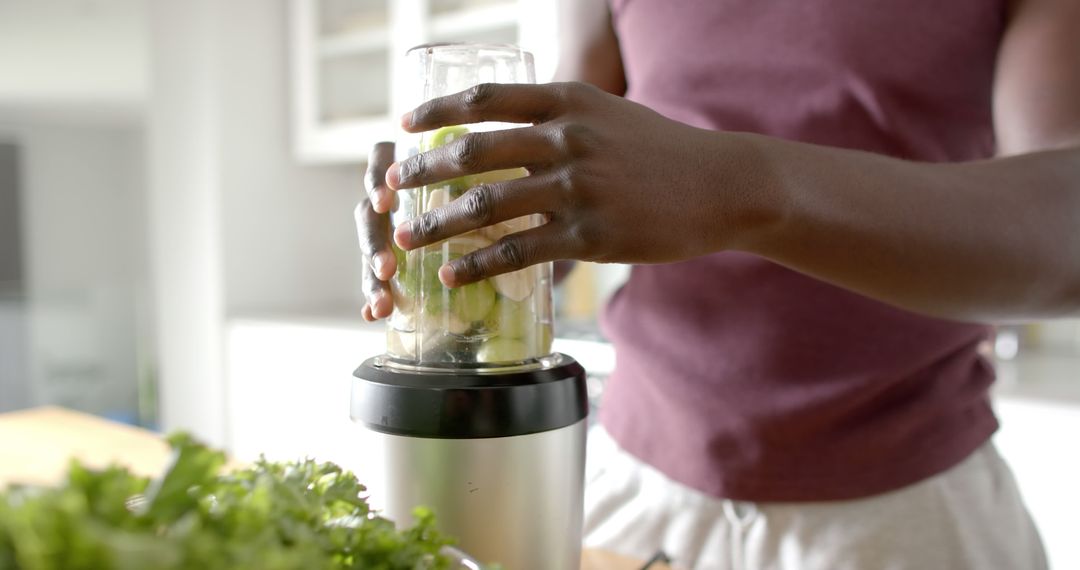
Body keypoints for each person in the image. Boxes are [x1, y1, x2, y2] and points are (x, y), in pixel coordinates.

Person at [356, 0, 1078, 567]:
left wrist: (737, 187)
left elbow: (1065, 225)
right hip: (636, 498)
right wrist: (459, 216)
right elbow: (558, 175)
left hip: (905, 515)